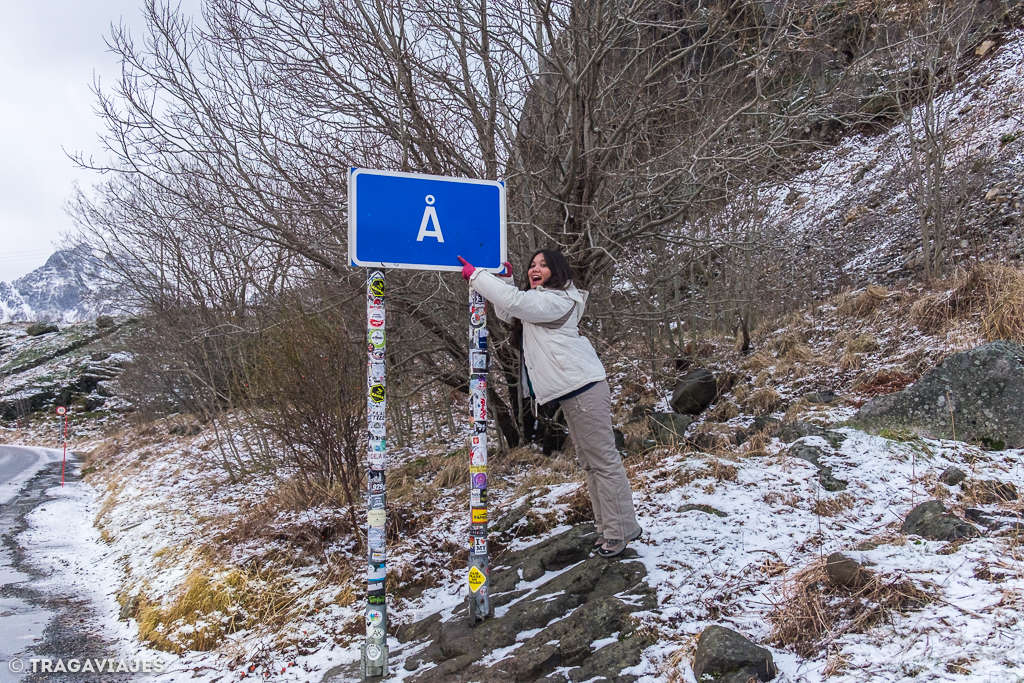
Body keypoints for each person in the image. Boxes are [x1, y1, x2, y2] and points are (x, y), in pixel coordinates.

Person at [457, 250, 643, 558]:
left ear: (557, 271)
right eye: (532, 265)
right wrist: (502, 279)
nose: (535, 269)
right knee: (591, 463)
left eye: (543, 265)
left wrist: (477, 276)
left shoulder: (559, 300)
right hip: (575, 391)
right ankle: (609, 527)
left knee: (603, 461)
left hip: (585, 388)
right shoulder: (541, 302)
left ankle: (620, 530)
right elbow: (509, 310)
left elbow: (515, 302)